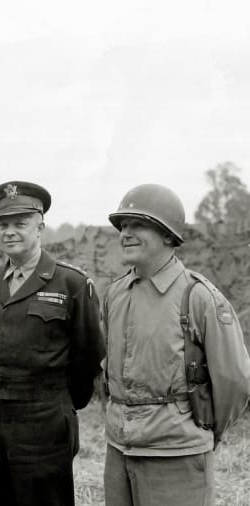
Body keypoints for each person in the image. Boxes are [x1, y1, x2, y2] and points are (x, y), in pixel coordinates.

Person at [102, 183, 250, 506]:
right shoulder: (114, 295)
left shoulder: (199, 297)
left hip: (176, 457)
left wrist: (205, 434)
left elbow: (235, 383)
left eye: (138, 224)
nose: (125, 233)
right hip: (119, 452)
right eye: (123, 225)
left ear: (168, 236)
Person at [0, 181, 105, 506]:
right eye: (3, 225)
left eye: (20, 224)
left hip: (45, 419)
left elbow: (89, 353)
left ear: (40, 228)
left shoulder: (71, 283)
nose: (10, 232)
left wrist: (61, 403)